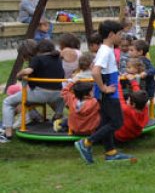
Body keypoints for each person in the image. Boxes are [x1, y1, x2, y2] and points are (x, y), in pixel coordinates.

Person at [76, 20, 135, 163]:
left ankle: (110, 152)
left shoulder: (105, 50)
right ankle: (86, 143)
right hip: (108, 94)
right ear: (111, 34)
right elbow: (95, 72)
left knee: (106, 122)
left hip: (106, 93)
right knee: (117, 122)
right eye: (120, 34)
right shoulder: (106, 51)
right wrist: (104, 88)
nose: (122, 37)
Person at [1, 39, 65, 142]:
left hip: (40, 94)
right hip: (58, 93)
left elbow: (28, 71)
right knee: (51, 95)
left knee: (7, 102)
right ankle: (57, 114)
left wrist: (19, 74)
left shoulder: (37, 59)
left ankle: (7, 133)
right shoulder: (57, 58)